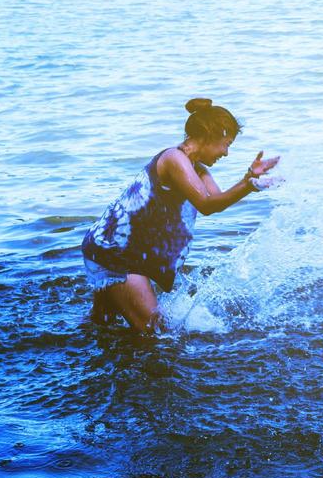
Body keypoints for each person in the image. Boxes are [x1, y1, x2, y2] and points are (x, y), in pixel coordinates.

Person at [82, 98, 280, 333]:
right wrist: (249, 185)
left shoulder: (196, 168)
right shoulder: (174, 159)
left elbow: (217, 200)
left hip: (111, 247)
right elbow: (206, 205)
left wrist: (250, 178)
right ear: (212, 134)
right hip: (116, 254)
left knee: (102, 324)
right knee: (155, 334)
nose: (226, 153)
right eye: (226, 144)